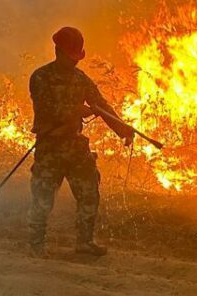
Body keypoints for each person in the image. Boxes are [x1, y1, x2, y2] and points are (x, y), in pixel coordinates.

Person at [27, 26, 134, 257]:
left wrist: (122, 129)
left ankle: (84, 242)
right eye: (70, 56)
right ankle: (35, 243)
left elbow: (101, 106)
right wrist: (76, 110)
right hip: (50, 148)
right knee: (43, 198)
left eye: (77, 56)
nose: (74, 62)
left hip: (75, 147)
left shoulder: (80, 79)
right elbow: (47, 109)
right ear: (58, 51)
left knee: (89, 193)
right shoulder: (40, 77)